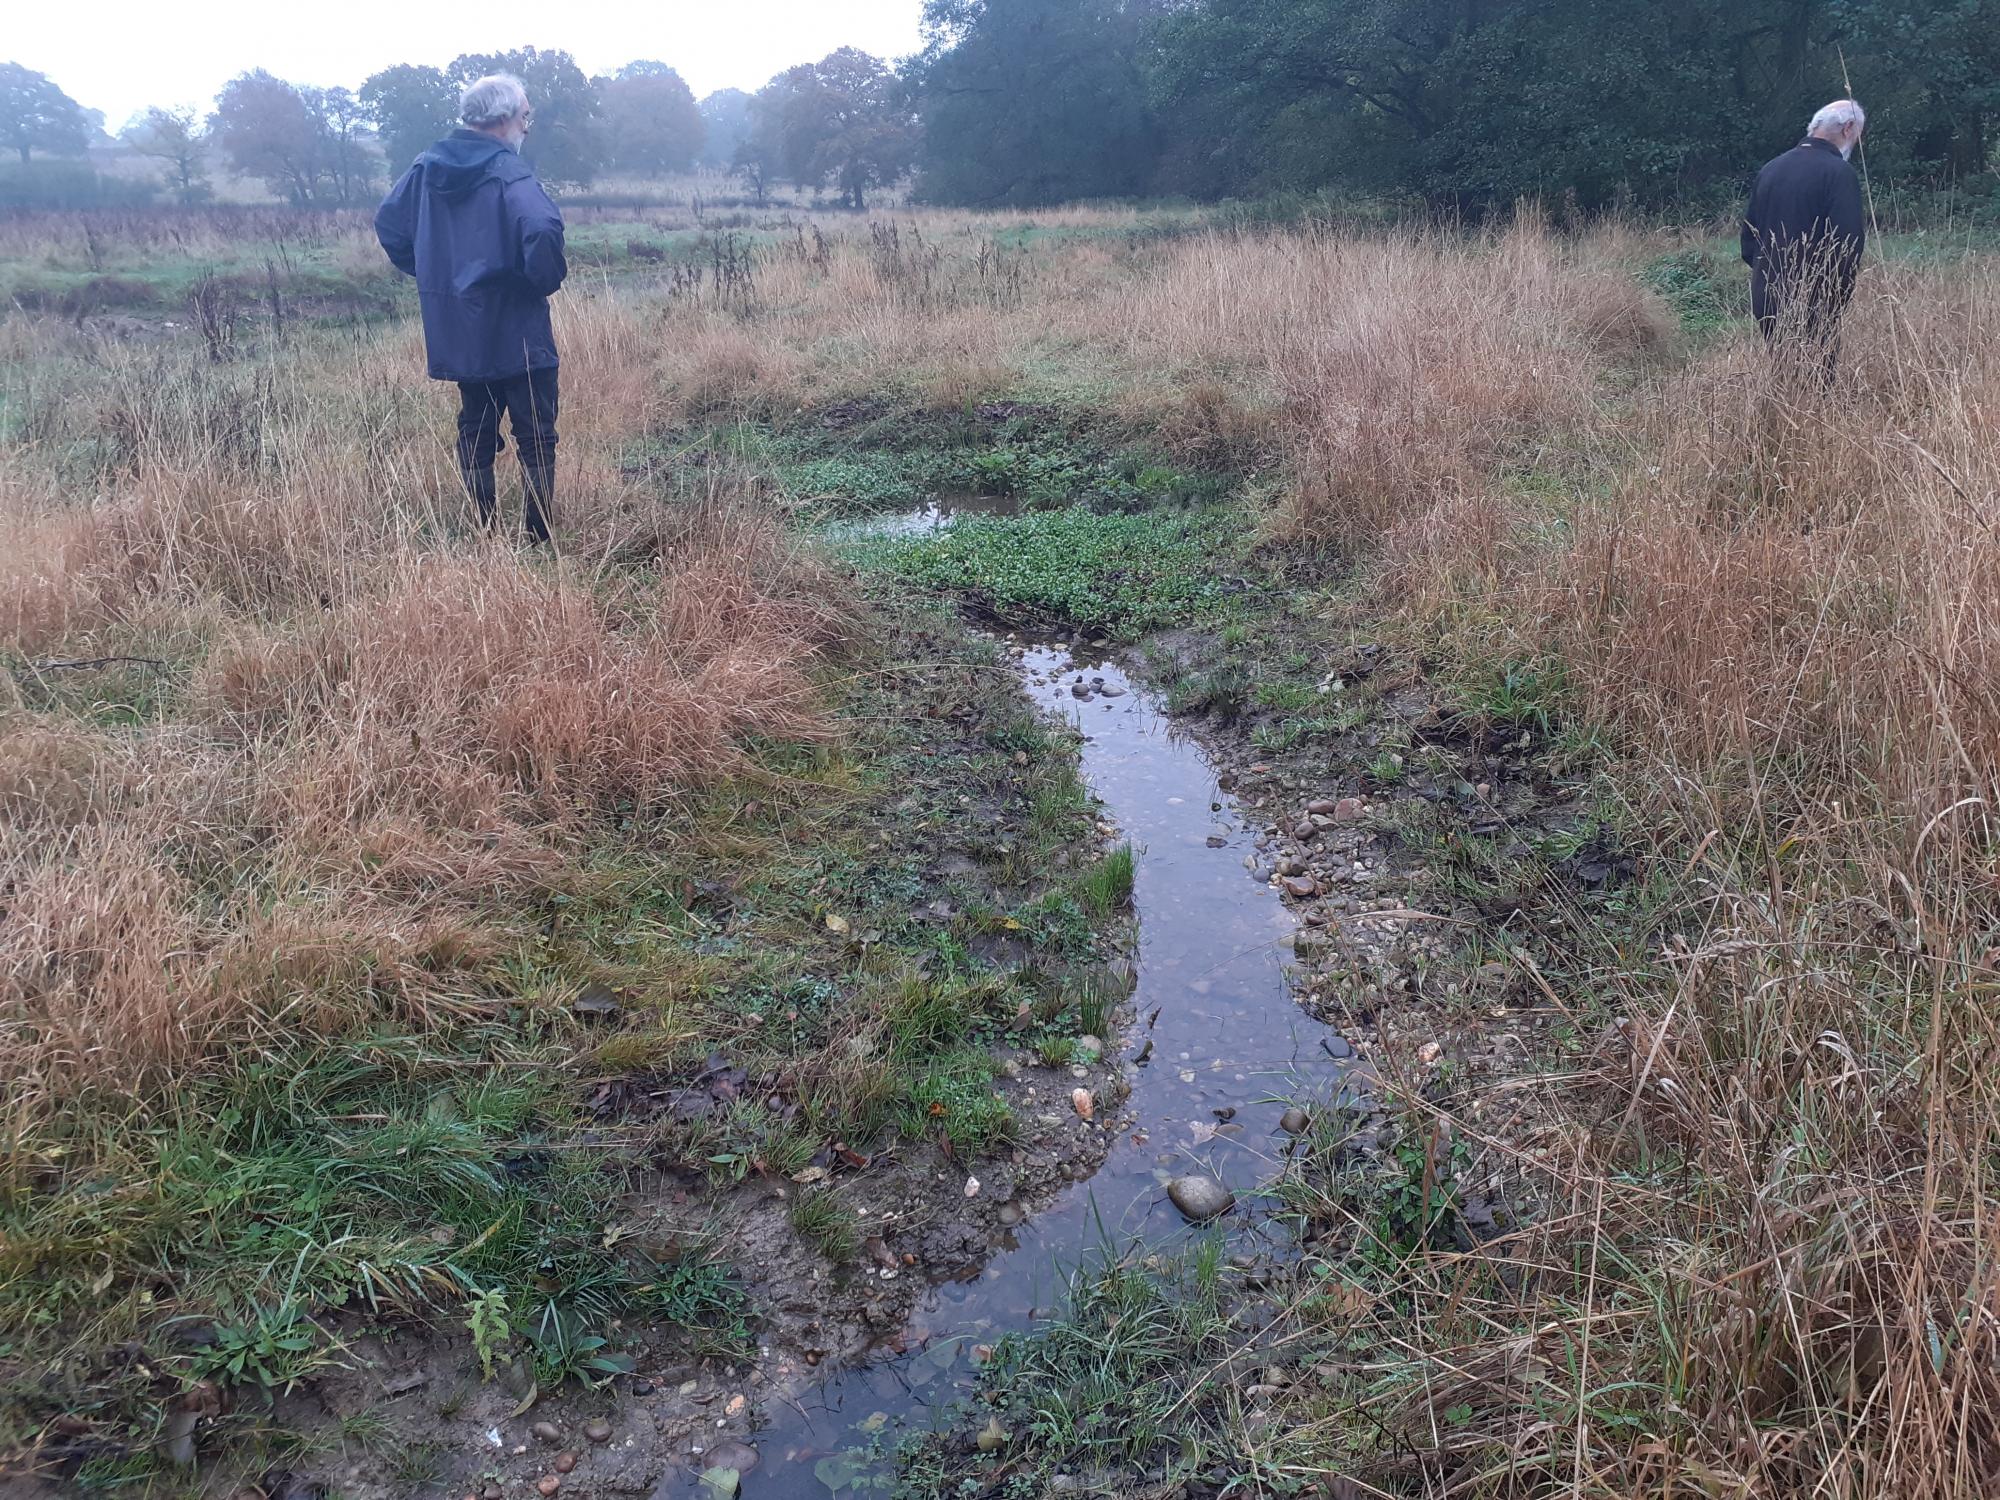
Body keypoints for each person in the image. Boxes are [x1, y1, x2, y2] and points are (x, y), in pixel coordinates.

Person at [375, 74, 568, 542]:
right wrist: (537, 282)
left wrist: (438, 277)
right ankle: (539, 539)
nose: (528, 125)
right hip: (518, 327)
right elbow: (542, 230)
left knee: (476, 426)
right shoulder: (509, 172)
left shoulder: (424, 168)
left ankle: (485, 528)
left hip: (461, 328)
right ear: (504, 119)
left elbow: (390, 225)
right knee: (536, 434)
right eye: (526, 116)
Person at [1740, 99, 1867, 381]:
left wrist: (1772, 273)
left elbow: (1749, 242)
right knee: (1817, 382)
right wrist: (1835, 294)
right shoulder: (1839, 173)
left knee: (1784, 376)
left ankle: (1774, 424)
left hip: (1767, 295)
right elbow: (1848, 244)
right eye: (1857, 136)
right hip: (1816, 298)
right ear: (1847, 129)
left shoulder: (1771, 169)